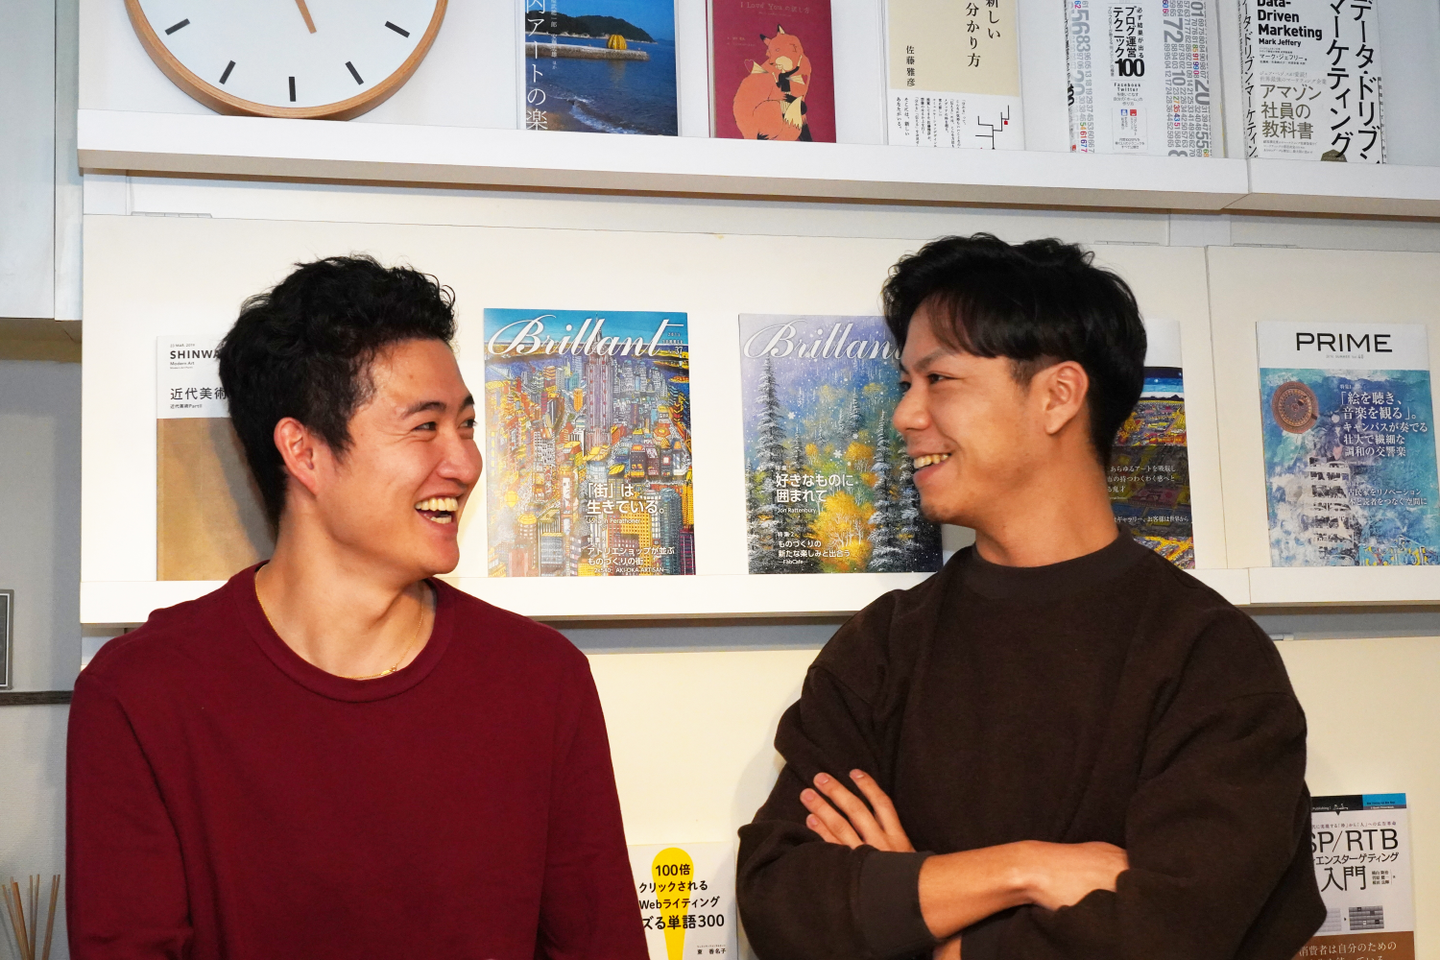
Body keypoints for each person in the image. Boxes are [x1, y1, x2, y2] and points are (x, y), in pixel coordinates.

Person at [735, 234, 1325, 960]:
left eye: (938, 379)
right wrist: (1025, 870)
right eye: (905, 383)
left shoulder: (1212, 658)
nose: (906, 416)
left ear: (1057, 396)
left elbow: (1171, 935)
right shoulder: (883, 645)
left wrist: (919, 915)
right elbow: (782, 902)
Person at [67, 256, 647, 960]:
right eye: (425, 427)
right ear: (304, 452)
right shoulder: (140, 695)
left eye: (466, 425)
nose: (465, 463)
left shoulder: (541, 681)